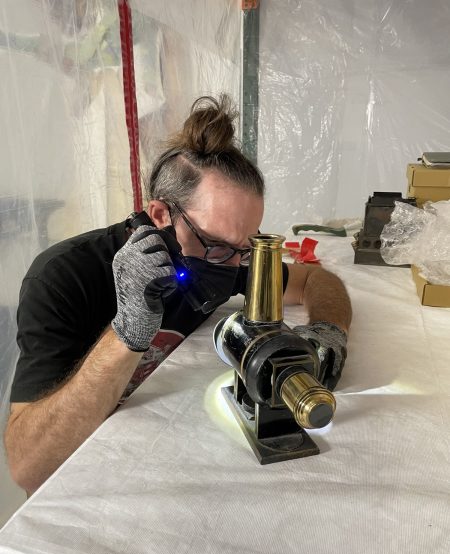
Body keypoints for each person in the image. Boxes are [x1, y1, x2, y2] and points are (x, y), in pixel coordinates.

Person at [5, 95, 352, 495]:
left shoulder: (227, 256)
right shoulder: (64, 277)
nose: (232, 264)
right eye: (215, 244)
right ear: (159, 216)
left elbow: (315, 281)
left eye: (246, 248)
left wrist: (330, 329)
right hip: (89, 486)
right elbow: (28, 466)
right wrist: (127, 333)